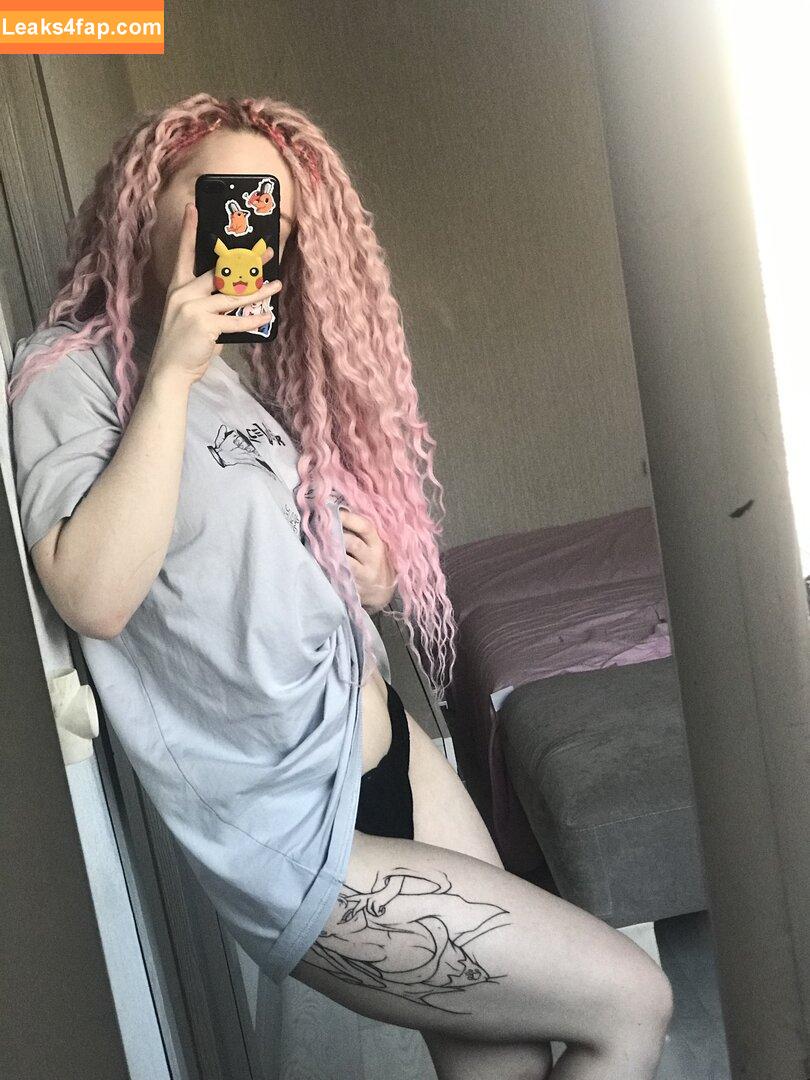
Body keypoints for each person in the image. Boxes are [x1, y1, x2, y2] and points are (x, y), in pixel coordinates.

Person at [7, 94, 673, 1079]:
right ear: (145, 202)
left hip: (384, 744)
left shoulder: (237, 377)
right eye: (224, 195)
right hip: (296, 831)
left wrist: (369, 575)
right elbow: (94, 594)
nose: (247, 227)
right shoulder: (68, 374)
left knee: (507, 1063)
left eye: (269, 213)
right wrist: (171, 374)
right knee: (631, 1002)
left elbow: (241, 570)